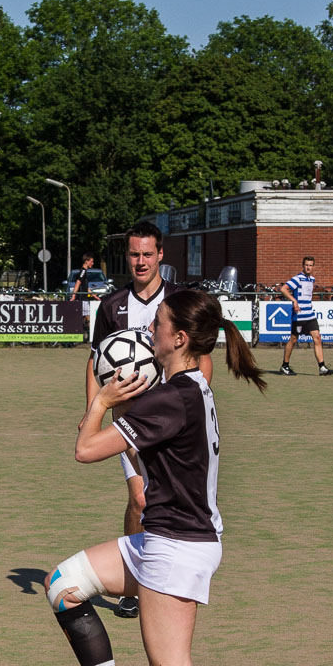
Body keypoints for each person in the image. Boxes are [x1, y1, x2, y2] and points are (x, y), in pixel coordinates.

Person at [44, 289, 301, 666]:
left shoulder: (172, 398)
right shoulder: (188, 386)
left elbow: (84, 449)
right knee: (64, 584)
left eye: (157, 324)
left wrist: (101, 402)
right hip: (167, 535)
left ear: (179, 338)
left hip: (176, 545)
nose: (148, 331)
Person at [85, 222, 212, 618]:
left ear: (161, 255)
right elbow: (96, 362)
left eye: (147, 254)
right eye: (134, 254)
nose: (140, 261)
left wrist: (189, 403)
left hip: (171, 418)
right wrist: (95, 408)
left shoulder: (178, 300)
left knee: (164, 497)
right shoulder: (111, 306)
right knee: (139, 498)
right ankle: (137, 582)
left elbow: (202, 358)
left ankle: (167, 573)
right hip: (130, 416)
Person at [279, 257, 333, 376]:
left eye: (310, 265)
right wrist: (294, 300)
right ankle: (285, 366)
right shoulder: (297, 279)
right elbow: (283, 289)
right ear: (303, 266)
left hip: (310, 314)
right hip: (299, 316)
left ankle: (322, 367)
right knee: (293, 339)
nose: (308, 267)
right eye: (306, 265)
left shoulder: (312, 279)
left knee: (317, 338)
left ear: (313, 267)